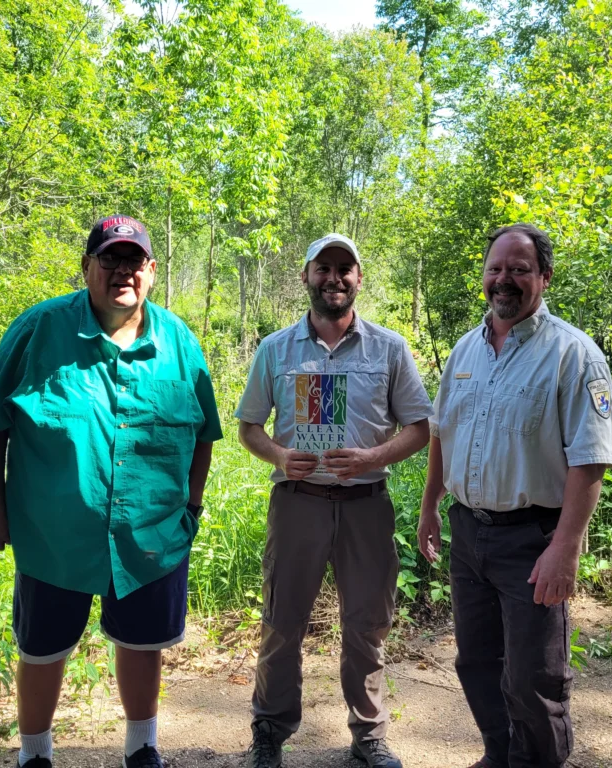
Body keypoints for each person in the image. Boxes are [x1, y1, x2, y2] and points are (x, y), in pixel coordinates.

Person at [0, 214, 222, 768]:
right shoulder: (39, 330)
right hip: (53, 533)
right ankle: (34, 755)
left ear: (152, 271)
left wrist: (192, 506)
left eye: (134, 260)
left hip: (150, 534)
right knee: (42, 648)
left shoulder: (179, 341)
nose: (122, 271)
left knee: (142, 645)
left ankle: (142, 748)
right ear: (87, 266)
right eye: (109, 258)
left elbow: (204, 432)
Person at [418, 223, 612, 768]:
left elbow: (591, 457)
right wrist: (430, 506)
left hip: (533, 540)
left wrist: (565, 548)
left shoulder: (573, 355)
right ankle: (499, 754)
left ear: (544, 277)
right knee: (477, 662)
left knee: (534, 675)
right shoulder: (466, 349)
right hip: (468, 533)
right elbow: (441, 433)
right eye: (496, 268)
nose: (504, 279)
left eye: (519, 269)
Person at [235, 234, 432, 768]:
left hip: (366, 504)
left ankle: (369, 736)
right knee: (282, 622)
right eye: (324, 267)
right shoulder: (276, 349)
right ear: (306, 276)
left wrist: (373, 457)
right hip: (297, 502)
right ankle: (269, 732)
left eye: (345, 268)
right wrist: (279, 455)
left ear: (359, 279)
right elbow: (249, 427)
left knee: (367, 623)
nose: (335, 278)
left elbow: (419, 427)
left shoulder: (389, 348)